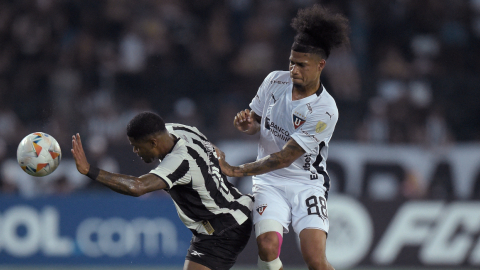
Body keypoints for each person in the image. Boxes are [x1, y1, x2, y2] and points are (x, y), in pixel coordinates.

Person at [214, 5, 350, 270]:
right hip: (269, 182)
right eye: (291, 62)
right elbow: (255, 122)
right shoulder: (274, 81)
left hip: (306, 183)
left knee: (314, 259)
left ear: (320, 65)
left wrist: (235, 170)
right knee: (266, 247)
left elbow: (286, 157)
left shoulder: (325, 109)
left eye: (302, 65)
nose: (293, 69)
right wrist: (247, 125)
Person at [71, 111, 254, 270]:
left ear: (153, 142)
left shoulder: (179, 160)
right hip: (227, 216)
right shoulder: (178, 130)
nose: (135, 150)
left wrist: (89, 170)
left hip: (224, 229)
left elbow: (138, 187)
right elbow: (217, 151)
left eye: (137, 146)